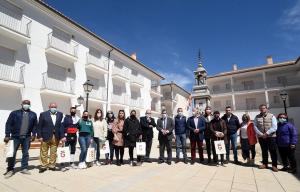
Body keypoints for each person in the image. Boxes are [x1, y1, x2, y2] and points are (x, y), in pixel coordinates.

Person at [4, 100, 37, 178]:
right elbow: (8, 123)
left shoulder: (33, 114)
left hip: (27, 137)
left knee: (25, 153)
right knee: (12, 153)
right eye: (25, 103)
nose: (26, 105)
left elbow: (35, 126)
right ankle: (10, 169)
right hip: (15, 137)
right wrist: (7, 134)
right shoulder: (14, 113)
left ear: (30, 105)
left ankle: (24, 168)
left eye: (28, 104)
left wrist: (34, 134)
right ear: (21, 104)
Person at [37, 102, 65, 173]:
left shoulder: (60, 114)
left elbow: (61, 126)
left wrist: (62, 136)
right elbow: (39, 126)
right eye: (52, 107)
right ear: (49, 107)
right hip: (45, 136)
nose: (53, 108)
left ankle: (52, 165)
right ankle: (43, 166)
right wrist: (39, 136)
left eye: (55, 107)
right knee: (44, 151)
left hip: (56, 136)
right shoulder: (43, 114)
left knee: (53, 152)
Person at [253, 104, 278, 172]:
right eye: (261, 108)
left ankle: (274, 165)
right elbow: (255, 126)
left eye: (263, 108)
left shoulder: (272, 116)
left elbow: (274, 127)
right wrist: (261, 134)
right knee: (264, 151)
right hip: (262, 137)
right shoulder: (257, 117)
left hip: (271, 137)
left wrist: (267, 133)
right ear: (259, 109)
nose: (262, 109)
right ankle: (265, 164)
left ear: (266, 109)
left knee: (273, 151)